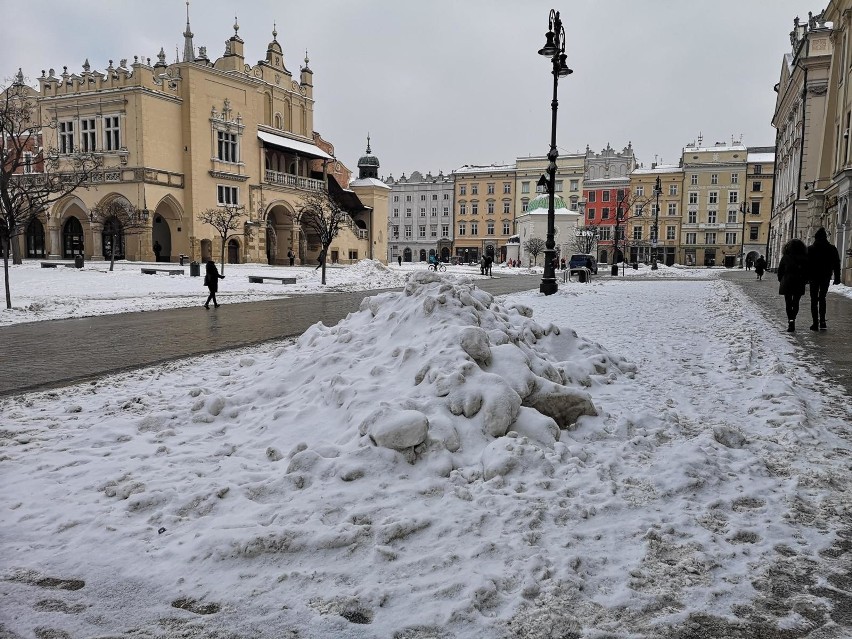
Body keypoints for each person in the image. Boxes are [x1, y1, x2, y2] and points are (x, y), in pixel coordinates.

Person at [807, 227, 842, 331]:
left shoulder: (810, 249)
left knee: (814, 300)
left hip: (813, 277)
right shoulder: (832, 248)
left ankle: (815, 323)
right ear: (826, 237)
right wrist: (837, 278)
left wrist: (805, 277)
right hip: (825, 276)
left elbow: (806, 264)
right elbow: (837, 264)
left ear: (816, 237)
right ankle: (822, 321)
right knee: (822, 298)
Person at [776, 239, 809, 332]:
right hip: (799, 281)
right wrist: (805, 280)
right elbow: (807, 271)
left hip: (787, 281)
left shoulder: (786, 257)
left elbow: (780, 271)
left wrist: (781, 280)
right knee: (796, 302)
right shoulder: (804, 258)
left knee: (788, 303)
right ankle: (793, 318)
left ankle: (790, 321)